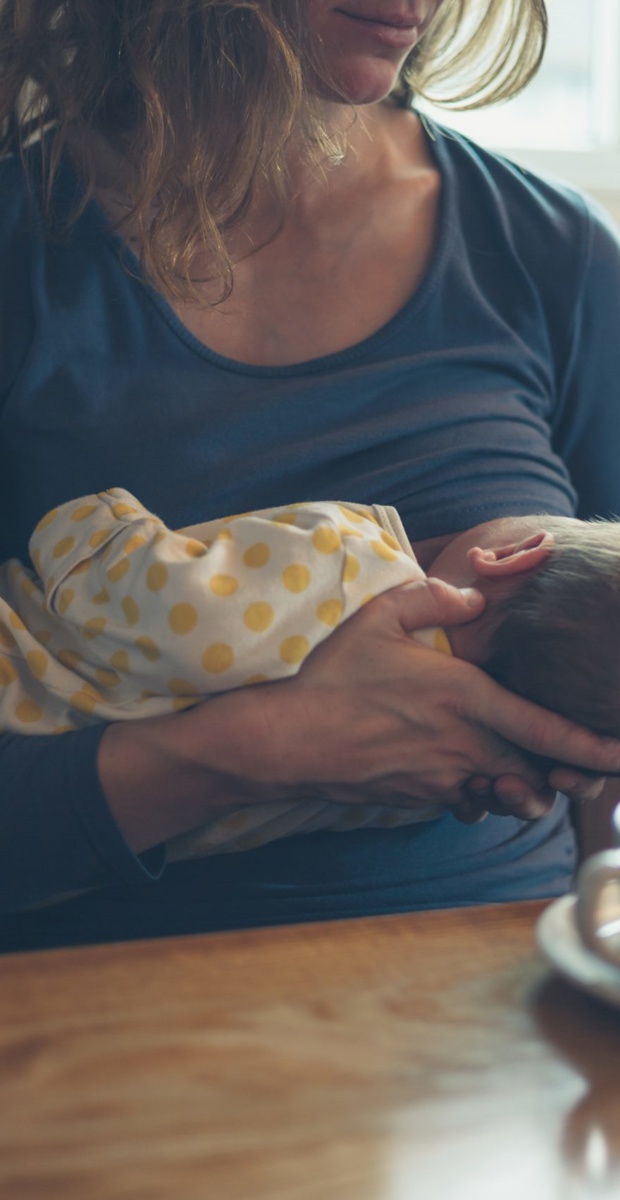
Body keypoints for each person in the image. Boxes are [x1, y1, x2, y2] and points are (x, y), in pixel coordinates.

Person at [2, 0, 620, 951]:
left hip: (515, 1015)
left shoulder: (552, 258)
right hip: (112, 1030)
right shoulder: (27, 254)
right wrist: (259, 754)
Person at [3, 487, 620, 862]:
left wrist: (94, 523)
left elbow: (115, 593)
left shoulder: (346, 559)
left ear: (512, 555)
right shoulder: (426, 781)